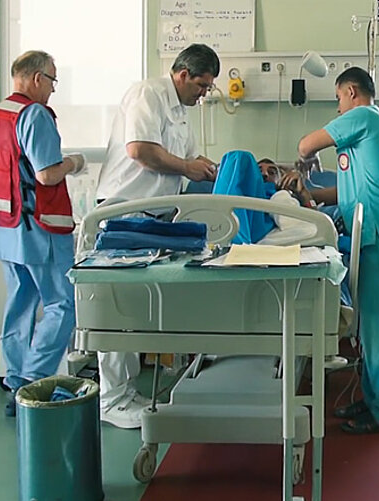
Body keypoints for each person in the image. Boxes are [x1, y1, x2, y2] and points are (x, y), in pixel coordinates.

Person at [278, 67, 379, 434]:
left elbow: (306, 145)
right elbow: (347, 191)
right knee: (371, 330)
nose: (338, 109)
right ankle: (372, 402)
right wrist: (308, 193)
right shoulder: (363, 137)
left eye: (339, 99)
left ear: (352, 92)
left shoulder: (365, 116)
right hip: (374, 239)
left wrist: (302, 161)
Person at [94, 43, 220, 429]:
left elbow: (189, 165)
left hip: (155, 215)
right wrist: (187, 166)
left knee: (138, 309)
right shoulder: (147, 93)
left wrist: (214, 171)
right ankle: (111, 400)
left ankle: (127, 389)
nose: (204, 94)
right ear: (182, 74)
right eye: (201, 85)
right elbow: (140, 150)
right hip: (125, 213)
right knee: (120, 309)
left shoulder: (181, 112)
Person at [0, 50, 85, 417]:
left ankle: (15, 377)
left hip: (3, 226)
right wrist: (76, 161)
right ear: (37, 78)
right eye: (53, 82)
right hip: (36, 226)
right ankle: (33, 382)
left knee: (21, 298)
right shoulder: (33, 114)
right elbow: (47, 174)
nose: (53, 90)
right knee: (62, 303)